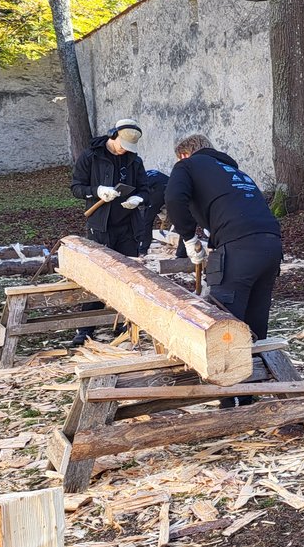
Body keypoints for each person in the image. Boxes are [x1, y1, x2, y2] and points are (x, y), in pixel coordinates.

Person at [165, 134, 282, 407]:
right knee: (255, 321)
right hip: (270, 244)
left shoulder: (187, 166)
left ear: (184, 154)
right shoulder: (233, 171)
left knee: (225, 322)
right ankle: (249, 393)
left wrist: (188, 238)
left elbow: (173, 198)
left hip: (238, 249)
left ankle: (229, 399)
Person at [69, 119, 149, 346]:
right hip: (100, 226)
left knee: (129, 276)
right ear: (113, 136)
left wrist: (138, 199)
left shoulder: (134, 161)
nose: (124, 150)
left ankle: (127, 325)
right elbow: (76, 187)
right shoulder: (90, 157)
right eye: (122, 145)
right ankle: (85, 329)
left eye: (129, 148)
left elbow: (145, 188)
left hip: (127, 227)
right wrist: (97, 191)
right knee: (97, 277)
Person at [137, 169, 169, 255]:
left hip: (160, 189)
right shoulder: (147, 173)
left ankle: (143, 249)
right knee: (147, 214)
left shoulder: (137, 180)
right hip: (167, 187)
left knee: (146, 220)